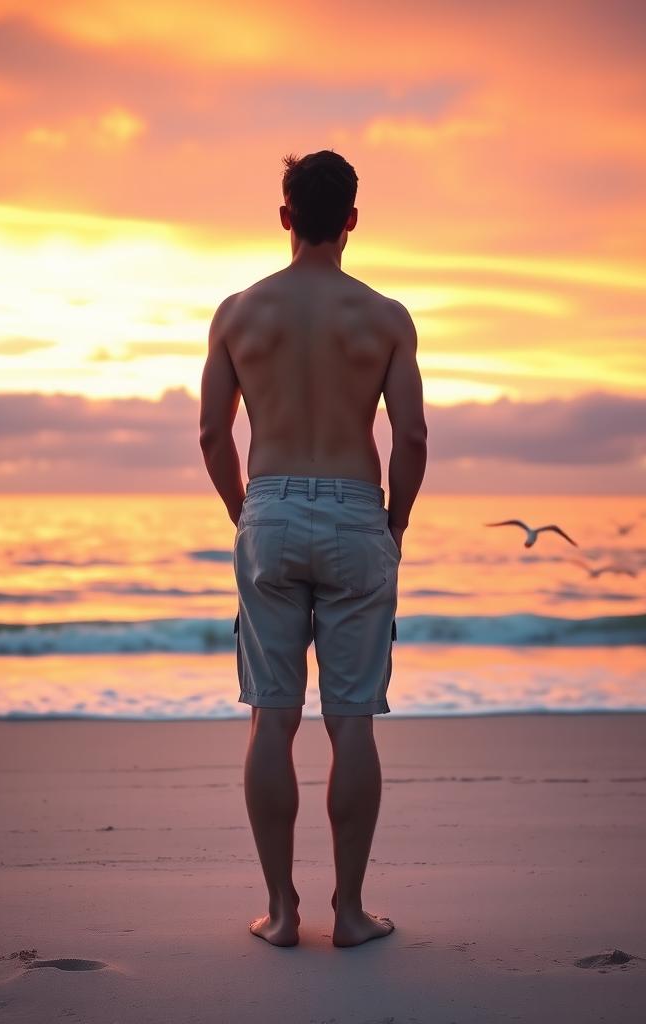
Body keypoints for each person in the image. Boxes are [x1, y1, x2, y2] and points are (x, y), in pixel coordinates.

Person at [199, 150, 428, 948]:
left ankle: (283, 912)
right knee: (353, 720)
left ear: (286, 214)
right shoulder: (385, 317)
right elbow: (413, 436)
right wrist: (392, 525)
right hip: (358, 512)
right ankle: (353, 913)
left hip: (269, 508)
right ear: (353, 220)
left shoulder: (237, 313)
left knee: (271, 717)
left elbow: (210, 434)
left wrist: (246, 512)